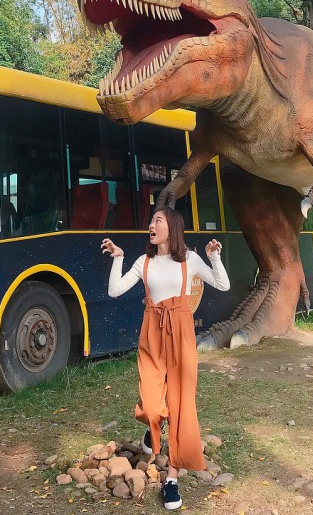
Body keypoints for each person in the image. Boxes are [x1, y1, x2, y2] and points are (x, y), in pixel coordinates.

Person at [101, 209, 230, 511]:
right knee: (150, 401)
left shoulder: (189, 259)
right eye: (151, 221)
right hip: (153, 332)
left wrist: (213, 257)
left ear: (172, 228)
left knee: (182, 404)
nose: (151, 225)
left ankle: (172, 478)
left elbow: (222, 284)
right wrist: (118, 258)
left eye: (157, 221)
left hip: (182, 333)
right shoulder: (143, 262)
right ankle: (152, 424)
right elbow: (114, 290)